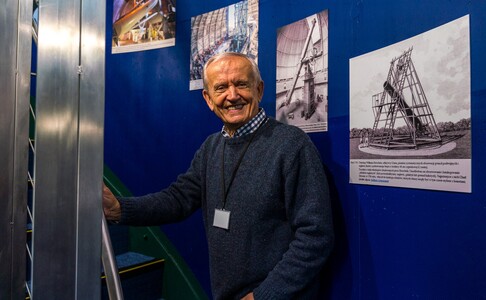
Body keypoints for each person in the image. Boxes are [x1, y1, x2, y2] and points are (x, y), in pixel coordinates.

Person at [103, 52, 334, 300]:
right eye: (221, 87)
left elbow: (315, 236)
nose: (232, 96)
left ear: (259, 89)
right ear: (208, 98)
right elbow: (177, 199)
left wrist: (264, 295)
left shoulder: (292, 145)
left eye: (241, 84)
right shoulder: (211, 147)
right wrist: (119, 208)